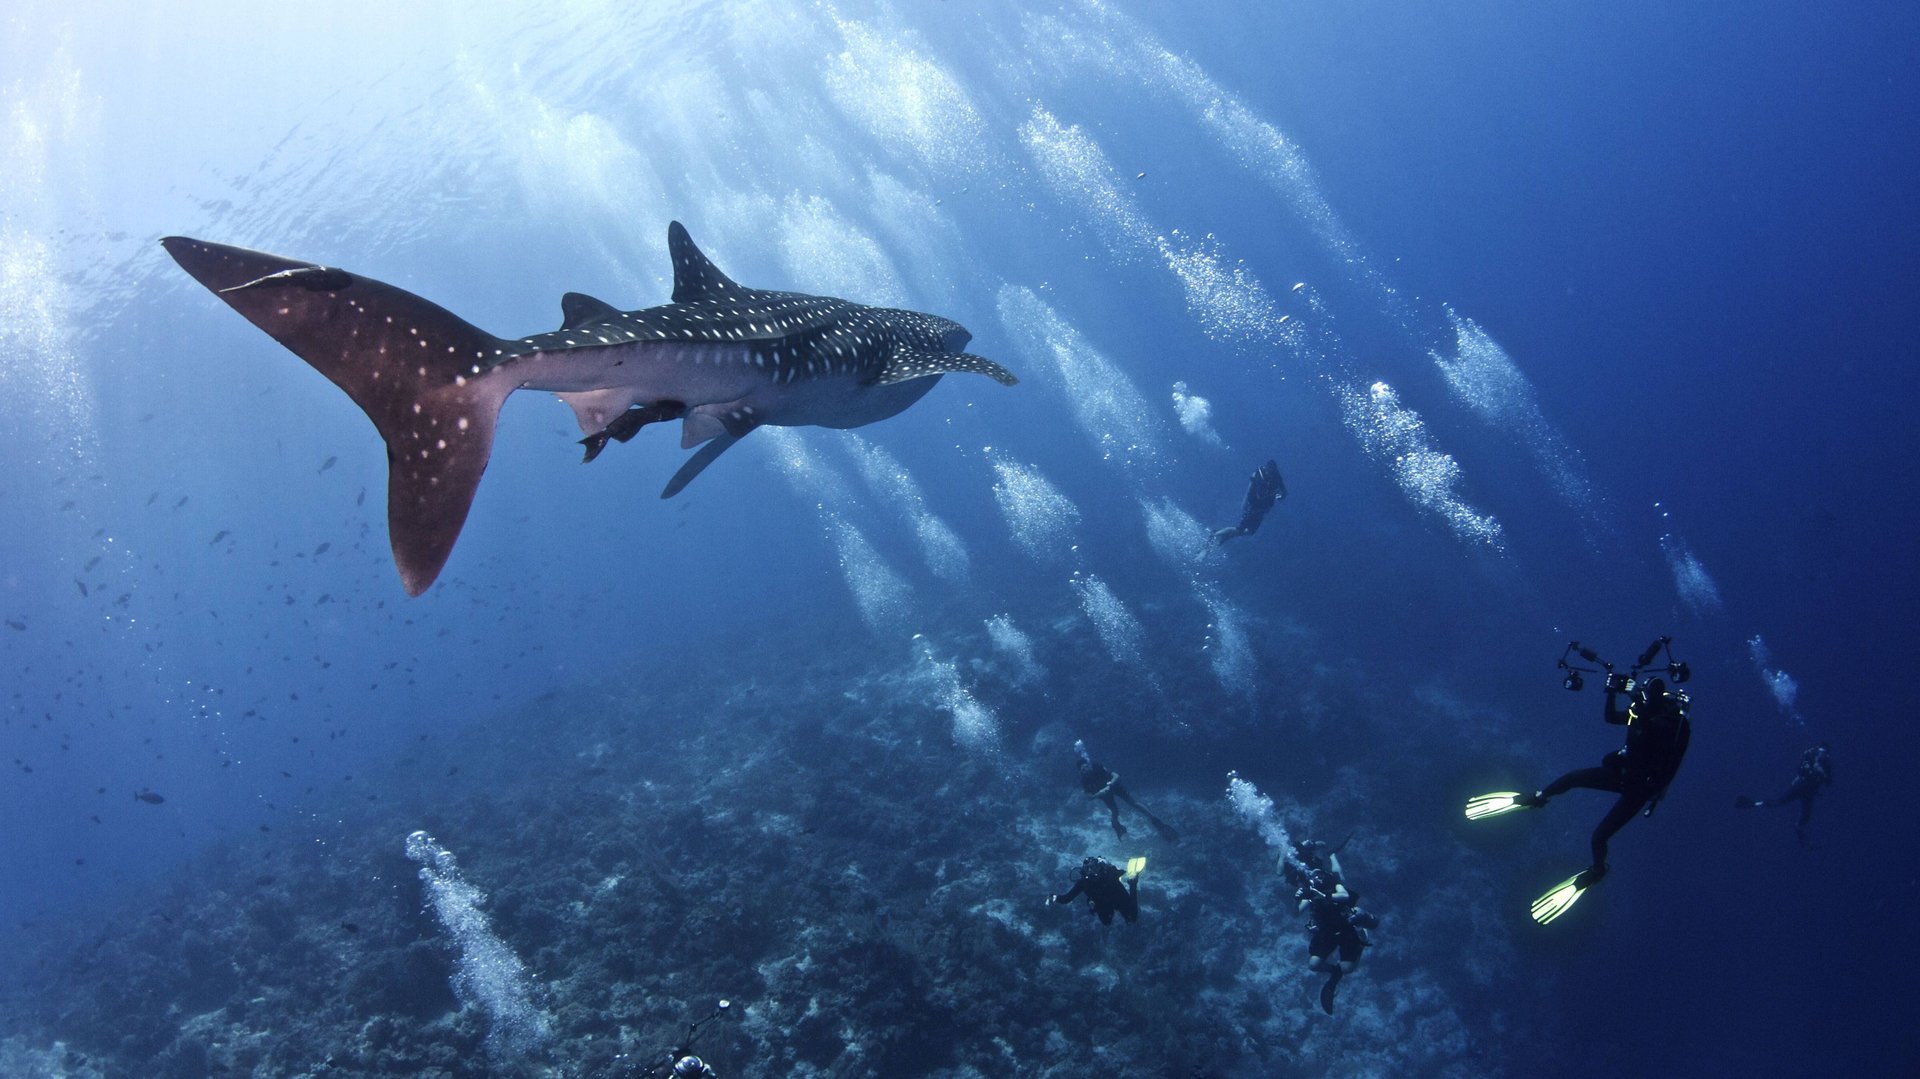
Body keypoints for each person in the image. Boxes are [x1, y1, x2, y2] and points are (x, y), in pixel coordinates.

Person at [1464, 675, 1692, 924]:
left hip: (1639, 788)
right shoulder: (1639, 711)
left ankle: (1598, 870)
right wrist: (1611, 692)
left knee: (1599, 836)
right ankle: (1538, 798)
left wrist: (1637, 701)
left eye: (1648, 694)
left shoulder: (1670, 724)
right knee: (1573, 778)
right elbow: (1611, 717)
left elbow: (1651, 731)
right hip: (1623, 773)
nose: (1642, 696)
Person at [1295, 868, 1377, 1014]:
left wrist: (1322, 895)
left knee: (1348, 968)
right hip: (1327, 932)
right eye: (1313, 877)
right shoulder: (1309, 894)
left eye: (1319, 875)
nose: (1316, 879)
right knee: (1313, 965)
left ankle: (1361, 940)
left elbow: (1344, 896)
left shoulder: (1333, 883)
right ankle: (1335, 973)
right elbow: (1297, 912)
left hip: (1346, 928)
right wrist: (1299, 899)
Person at [1074, 739, 1179, 841]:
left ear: (1089, 765)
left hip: (1114, 786)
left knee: (1133, 803)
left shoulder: (1097, 767)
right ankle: (1117, 827)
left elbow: (1115, 775)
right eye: (1083, 770)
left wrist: (1110, 784)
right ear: (1080, 772)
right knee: (1115, 811)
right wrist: (1098, 794)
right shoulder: (1084, 780)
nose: (1085, 770)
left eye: (1086, 767)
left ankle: (1154, 819)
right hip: (1104, 793)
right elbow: (1088, 797)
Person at [1737, 744, 1831, 843]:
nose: (1822, 754)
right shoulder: (1810, 759)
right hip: (1800, 787)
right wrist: (1815, 770)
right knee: (1779, 802)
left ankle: (1798, 828)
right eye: (1821, 752)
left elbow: (1828, 782)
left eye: (1824, 753)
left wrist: (1822, 773)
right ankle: (1754, 803)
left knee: (1806, 817)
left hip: (1809, 793)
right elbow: (1801, 770)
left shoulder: (1825, 765)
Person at [1211, 459, 1286, 545]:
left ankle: (1224, 536)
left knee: (1250, 531)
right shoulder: (1260, 475)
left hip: (1261, 510)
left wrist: (1278, 496)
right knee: (1241, 529)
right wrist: (1245, 503)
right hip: (1253, 507)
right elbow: (1252, 491)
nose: (1270, 473)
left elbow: (1284, 493)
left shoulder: (1276, 478)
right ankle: (1215, 534)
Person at [1048, 856, 1141, 925]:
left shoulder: (1109, 874)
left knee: (1132, 918)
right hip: (1102, 903)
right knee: (1106, 923)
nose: (1091, 871)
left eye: (1093, 868)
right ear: (1084, 871)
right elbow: (1067, 898)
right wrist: (1054, 897)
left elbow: (1121, 871)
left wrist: (1132, 882)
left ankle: (1132, 886)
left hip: (1117, 897)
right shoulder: (1084, 882)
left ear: (1099, 867)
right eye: (1087, 869)